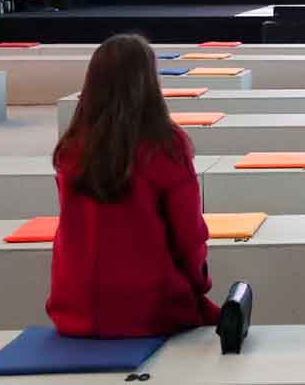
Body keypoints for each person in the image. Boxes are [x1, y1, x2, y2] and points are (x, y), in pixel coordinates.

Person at [47, 34, 220, 337]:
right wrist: (198, 285)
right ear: (149, 83)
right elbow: (188, 237)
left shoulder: (72, 146)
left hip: (74, 307)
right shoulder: (165, 145)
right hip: (150, 308)